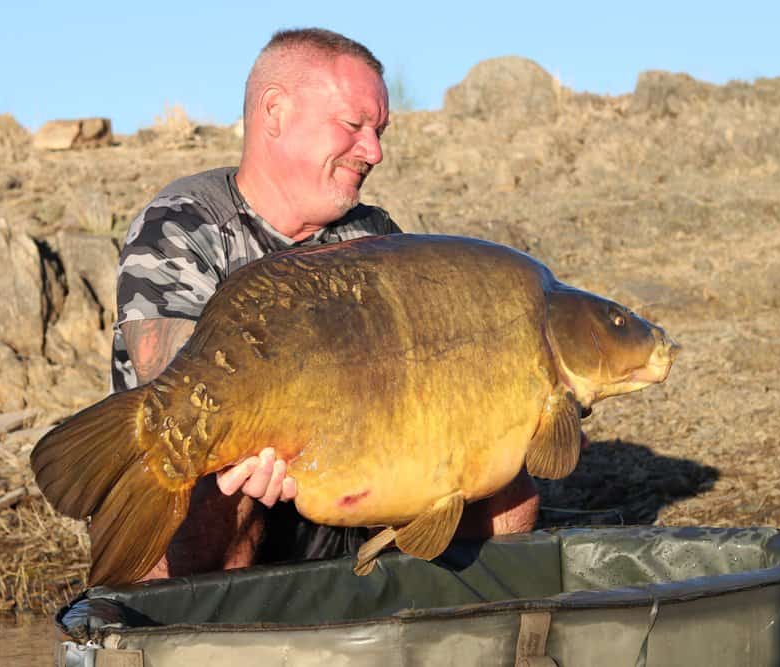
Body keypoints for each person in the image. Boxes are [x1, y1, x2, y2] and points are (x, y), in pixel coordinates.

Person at [110, 28, 541, 580]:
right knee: (226, 489)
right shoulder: (183, 223)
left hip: (350, 478)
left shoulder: (374, 234)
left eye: (380, 131)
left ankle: (455, 632)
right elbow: (175, 382)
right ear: (275, 113)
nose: (375, 151)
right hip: (224, 481)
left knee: (509, 492)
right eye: (353, 126)